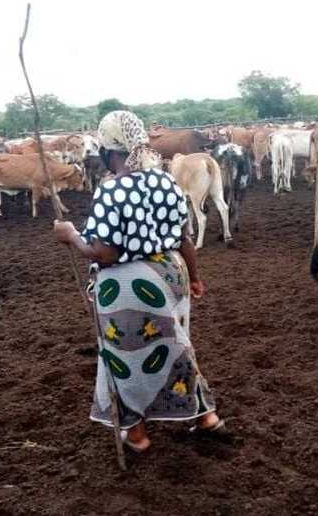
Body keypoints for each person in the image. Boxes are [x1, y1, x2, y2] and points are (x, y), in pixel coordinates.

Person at [53, 110, 223, 453]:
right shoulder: (166, 181)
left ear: (107, 149)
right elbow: (184, 237)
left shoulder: (111, 190)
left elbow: (104, 254)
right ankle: (205, 416)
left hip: (129, 288)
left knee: (124, 359)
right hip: (172, 275)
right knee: (177, 346)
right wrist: (195, 278)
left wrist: (71, 235)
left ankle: (137, 434)